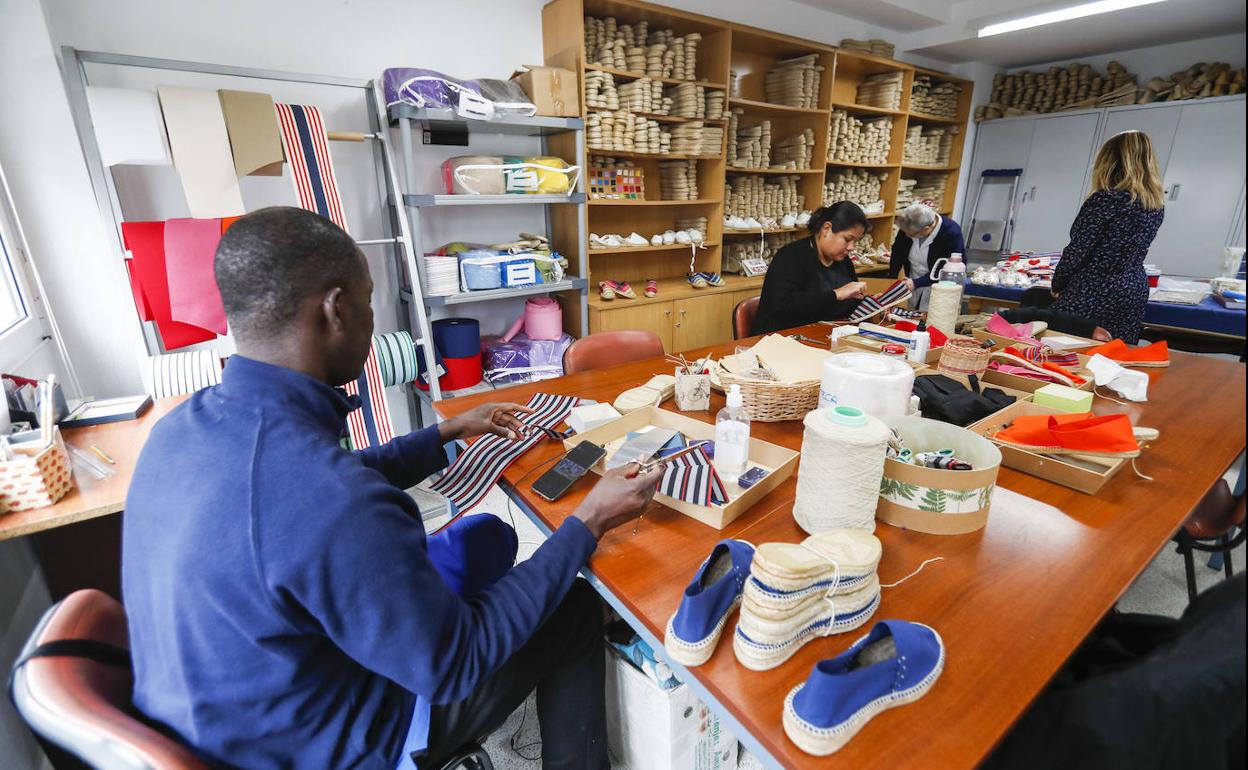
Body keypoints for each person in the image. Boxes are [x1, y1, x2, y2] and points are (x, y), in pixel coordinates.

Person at [121, 206, 664, 770]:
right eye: (369, 299)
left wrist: (444, 433)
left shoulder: (181, 428)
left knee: (487, 542)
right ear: (335, 310)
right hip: (330, 747)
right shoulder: (333, 499)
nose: (372, 318)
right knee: (572, 602)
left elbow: (320, 489)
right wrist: (589, 522)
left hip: (228, 719)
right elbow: (458, 660)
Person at [1050, 130, 1165, 343]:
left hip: (1094, 289)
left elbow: (1078, 250)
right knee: (1114, 357)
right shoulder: (1154, 205)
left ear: (1109, 162)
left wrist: (1058, 284)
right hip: (1132, 288)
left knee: (1066, 350)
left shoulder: (1105, 199)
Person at [752, 202, 870, 335]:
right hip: (781, 339)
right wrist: (836, 294)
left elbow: (849, 304)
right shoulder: (791, 256)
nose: (851, 247)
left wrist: (870, 304)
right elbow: (783, 306)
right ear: (826, 229)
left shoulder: (843, 261)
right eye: (848, 239)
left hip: (824, 336)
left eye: (856, 241)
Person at [889, 202, 965, 307]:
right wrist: (891, 279)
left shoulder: (951, 232)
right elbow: (897, 253)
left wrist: (917, 282)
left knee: (936, 317)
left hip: (941, 286)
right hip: (913, 280)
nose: (906, 235)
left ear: (926, 229)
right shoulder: (909, 226)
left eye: (911, 235)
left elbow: (946, 268)